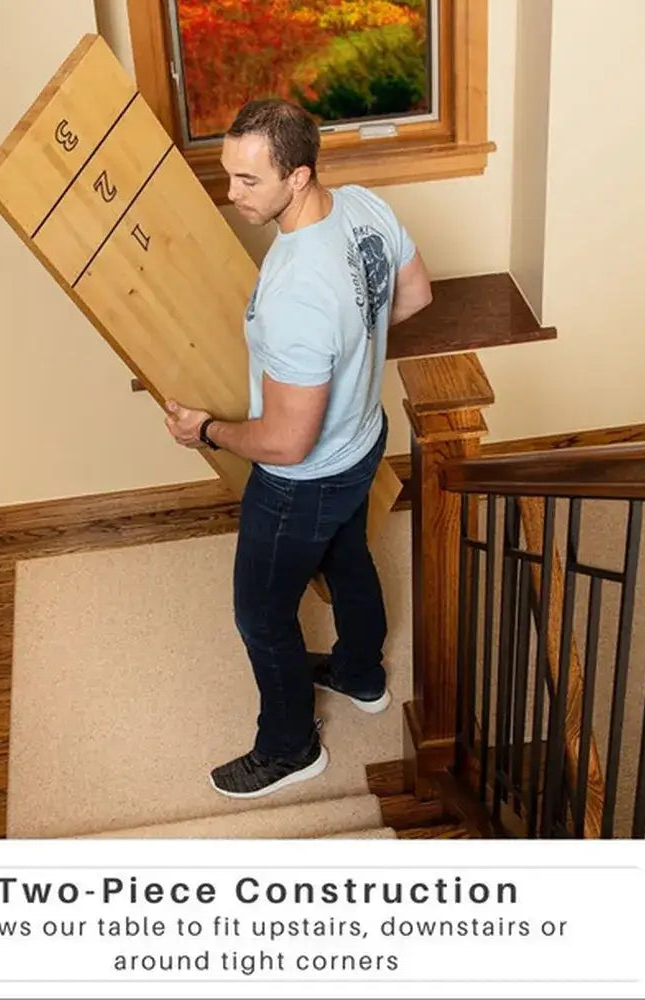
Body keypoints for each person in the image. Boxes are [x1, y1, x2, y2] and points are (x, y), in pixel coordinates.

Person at [164, 99, 433, 799]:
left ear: (300, 175)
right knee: (349, 559)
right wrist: (355, 355)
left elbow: (286, 442)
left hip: (304, 479)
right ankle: (361, 675)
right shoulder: (366, 208)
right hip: (364, 441)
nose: (232, 194)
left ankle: (289, 747)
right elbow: (416, 295)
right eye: (230, 175)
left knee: (260, 615)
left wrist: (207, 430)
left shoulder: (294, 292)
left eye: (249, 181)